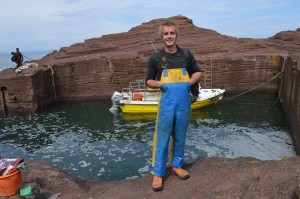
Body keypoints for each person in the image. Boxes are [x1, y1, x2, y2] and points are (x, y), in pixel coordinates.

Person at [146, 20, 202, 192]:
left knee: (180, 135)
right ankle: (158, 172)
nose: (169, 36)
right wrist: (161, 85)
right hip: (166, 104)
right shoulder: (155, 58)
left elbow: (197, 72)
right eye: (166, 33)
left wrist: (188, 84)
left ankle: (177, 165)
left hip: (184, 103)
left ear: (176, 35)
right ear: (162, 37)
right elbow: (148, 81)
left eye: (172, 33)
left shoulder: (186, 54)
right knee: (161, 137)